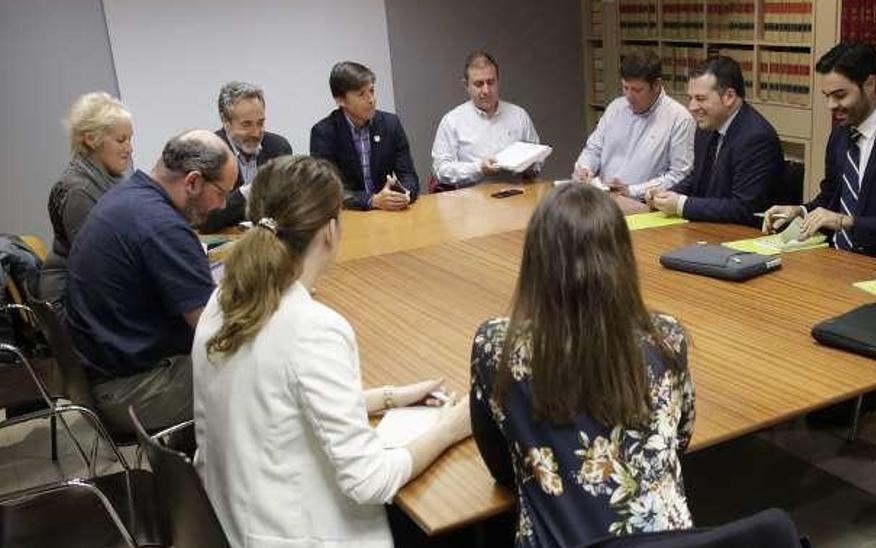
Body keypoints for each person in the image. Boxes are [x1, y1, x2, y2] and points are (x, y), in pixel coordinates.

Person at [192, 156, 471, 548]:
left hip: (234, 520)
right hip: (302, 533)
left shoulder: (223, 298)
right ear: (329, 231)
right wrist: (449, 430)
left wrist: (388, 397)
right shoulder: (313, 328)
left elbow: (275, 399)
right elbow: (369, 482)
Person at [471, 183, 695, 547]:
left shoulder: (498, 344)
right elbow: (679, 439)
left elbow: (500, 466)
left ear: (536, 260)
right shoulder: (666, 336)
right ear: (623, 257)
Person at [65, 129, 236, 435]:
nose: (222, 206)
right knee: (261, 372)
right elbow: (215, 329)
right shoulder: (162, 226)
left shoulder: (131, 196)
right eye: (221, 193)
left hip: (107, 373)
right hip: (131, 391)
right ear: (193, 181)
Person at [762, 42, 876, 264]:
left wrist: (846, 222)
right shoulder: (840, 136)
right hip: (834, 262)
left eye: (840, 95)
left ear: (870, 84)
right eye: (827, 96)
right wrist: (800, 211)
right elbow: (829, 199)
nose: (831, 105)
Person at [648, 56, 783, 226]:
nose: (692, 107)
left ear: (729, 96)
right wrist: (666, 194)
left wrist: (681, 204)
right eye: (690, 98)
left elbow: (744, 208)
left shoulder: (756, 138)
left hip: (743, 236)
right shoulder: (708, 126)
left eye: (701, 99)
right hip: (707, 229)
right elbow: (698, 179)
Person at [39, 92, 133, 305]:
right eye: (121, 140)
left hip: (94, 292)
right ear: (91, 139)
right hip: (70, 301)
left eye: (130, 139)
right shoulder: (78, 192)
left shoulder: (109, 178)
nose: (130, 148)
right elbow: (99, 265)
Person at [573, 50, 695, 200]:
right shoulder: (616, 108)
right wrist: (585, 168)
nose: (629, 96)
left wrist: (633, 191)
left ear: (656, 85)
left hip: (647, 204)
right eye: (625, 88)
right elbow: (594, 149)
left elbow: (679, 176)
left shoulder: (679, 119)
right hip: (604, 200)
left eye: (637, 90)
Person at [310, 61, 420, 211]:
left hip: (388, 212)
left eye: (372, 91)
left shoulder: (390, 124)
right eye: (361, 94)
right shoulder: (324, 133)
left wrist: (405, 194)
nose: (371, 100)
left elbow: (408, 175)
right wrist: (372, 200)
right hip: (350, 215)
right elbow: (327, 189)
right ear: (340, 100)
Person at [432, 52, 541, 189]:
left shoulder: (519, 115)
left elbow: (537, 160)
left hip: (517, 196)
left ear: (498, 81)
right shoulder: (452, 121)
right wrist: (479, 168)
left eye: (491, 82)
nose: (486, 90)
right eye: (479, 84)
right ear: (466, 85)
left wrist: (531, 165)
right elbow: (441, 170)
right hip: (471, 202)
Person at [200, 81, 293, 232]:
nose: (256, 133)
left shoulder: (279, 147)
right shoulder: (208, 153)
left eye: (260, 123)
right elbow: (207, 220)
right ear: (226, 122)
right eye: (246, 125)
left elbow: (287, 205)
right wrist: (248, 192)